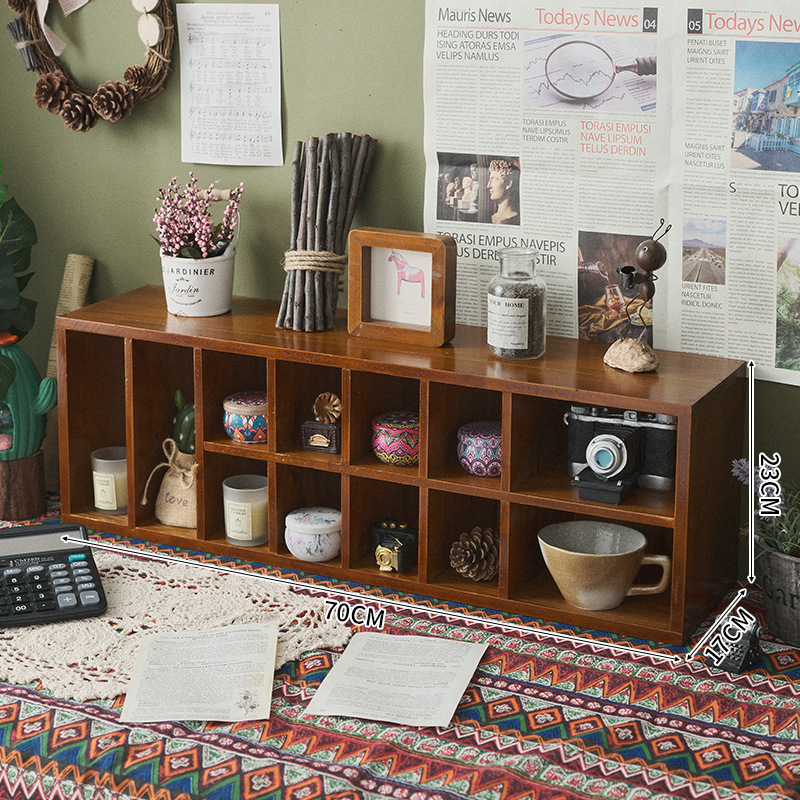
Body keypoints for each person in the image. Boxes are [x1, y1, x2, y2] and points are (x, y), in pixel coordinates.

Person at [487, 158, 520, 225]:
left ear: (508, 184)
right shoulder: (492, 217)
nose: (489, 185)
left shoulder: (514, 220)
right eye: (490, 179)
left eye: (494, 179)